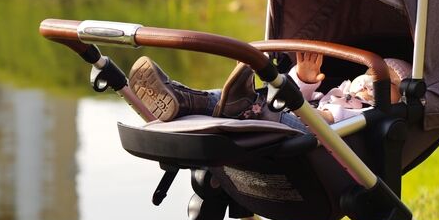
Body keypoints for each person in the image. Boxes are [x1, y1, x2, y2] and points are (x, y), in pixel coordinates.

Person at [128, 53, 409, 131]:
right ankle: (183, 99)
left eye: (388, 84)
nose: (373, 84)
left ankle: (245, 103)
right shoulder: (340, 91)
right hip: (287, 112)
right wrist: (304, 78)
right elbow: (306, 97)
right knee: (225, 98)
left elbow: (330, 121)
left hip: (311, 134)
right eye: (370, 75)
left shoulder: (368, 115)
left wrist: (315, 112)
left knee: (263, 104)